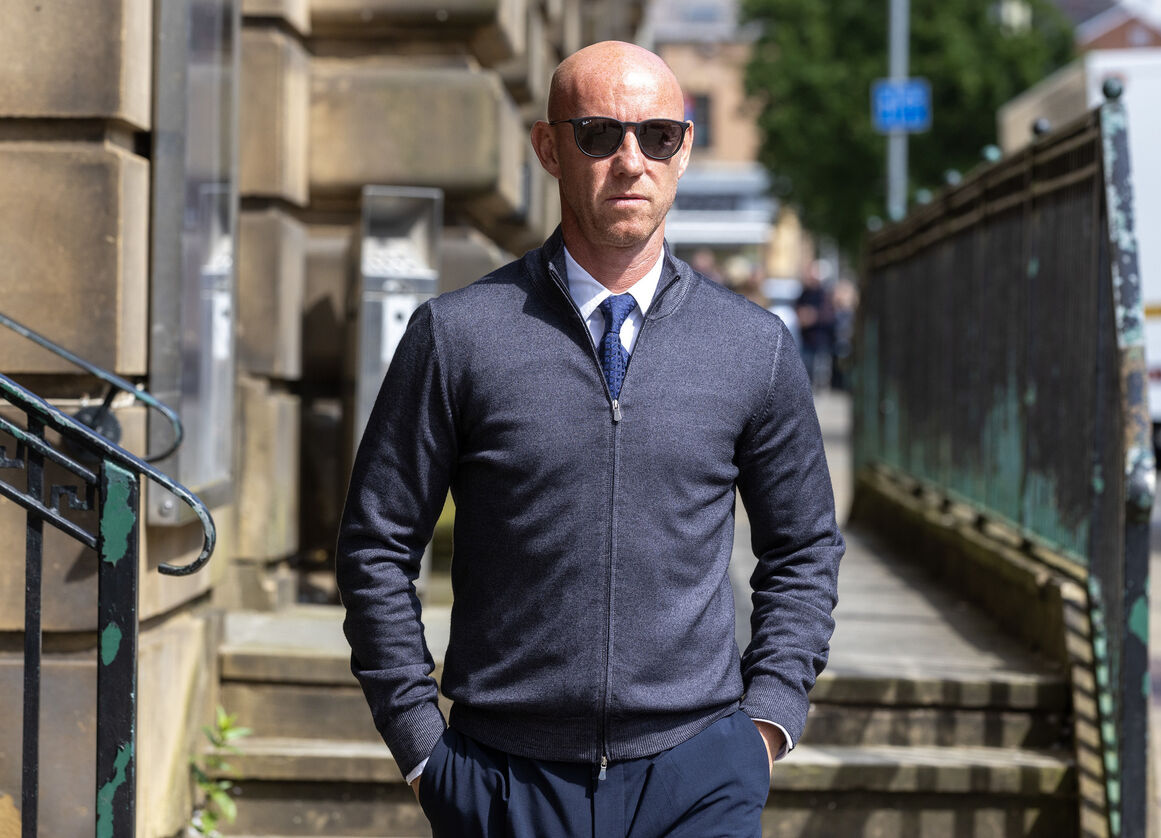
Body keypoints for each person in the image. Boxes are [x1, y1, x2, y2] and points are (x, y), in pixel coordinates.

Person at [336, 40, 843, 838]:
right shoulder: (457, 336)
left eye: (660, 136)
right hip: (502, 778)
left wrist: (768, 721)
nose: (632, 161)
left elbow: (805, 545)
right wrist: (420, 746)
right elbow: (375, 542)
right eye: (600, 135)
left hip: (699, 771)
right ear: (549, 148)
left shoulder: (754, 347)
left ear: (684, 148)